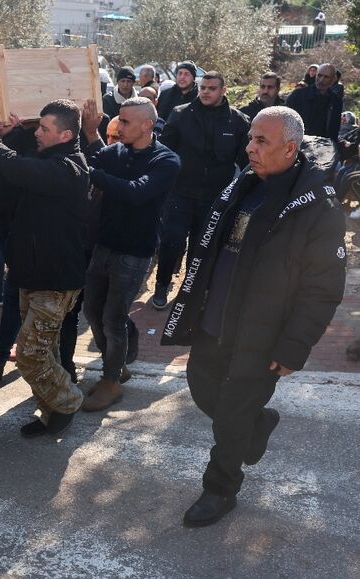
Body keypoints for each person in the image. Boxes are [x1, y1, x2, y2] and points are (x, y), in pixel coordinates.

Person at [162, 107, 346, 527]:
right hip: (215, 321)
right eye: (250, 138)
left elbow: (323, 289)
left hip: (263, 335)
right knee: (202, 387)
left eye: (261, 141)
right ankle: (259, 421)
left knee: (230, 418)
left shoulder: (319, 207)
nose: (250, 148)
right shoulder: (243, 184)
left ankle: (220, 489)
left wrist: (294, 347)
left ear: (290, 148)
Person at [0, 96, 90, 438]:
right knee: (44, 351)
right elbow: (22, 164)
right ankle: (49, 410)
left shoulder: (70, 168)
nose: (39, 133)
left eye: (45, 129)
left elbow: (21, 169)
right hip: (29, 275)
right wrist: (13, 133)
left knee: (31, 355)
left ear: (65, 136)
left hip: (56, 280)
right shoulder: (49, 158)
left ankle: (66, 402)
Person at [79, 97, 181, 410]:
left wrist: (93, 173)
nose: (119, 126)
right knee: (93, 311)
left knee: (113, 317)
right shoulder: (116, 152)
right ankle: (118, 362)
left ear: (147, 124)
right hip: (104, 245)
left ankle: (111, 380)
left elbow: (137, 192)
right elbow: (90, 158)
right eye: (119, 120)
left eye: (125, 122)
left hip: (135, 253)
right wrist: (87, 132)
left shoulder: (166, 161)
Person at [152, 71, 250, 310]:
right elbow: (165, 151)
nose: (206, 92)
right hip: (180, 193)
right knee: (171, 242)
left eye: (212, 88)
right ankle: (162, 285)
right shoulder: (181, 114)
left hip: (214, 198)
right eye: (203, 87)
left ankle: (192, 290)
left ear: (223, 90)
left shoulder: (237, 121)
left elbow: (245, 161)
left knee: (201, 246)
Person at [286, 63, 343, 140]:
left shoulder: (336, 101)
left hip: (324, 145)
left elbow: (334, 127)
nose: (321, 80)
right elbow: (286, 119)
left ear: (333, 80)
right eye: (319, 75)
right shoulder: (298, 95)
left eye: (326, 77)